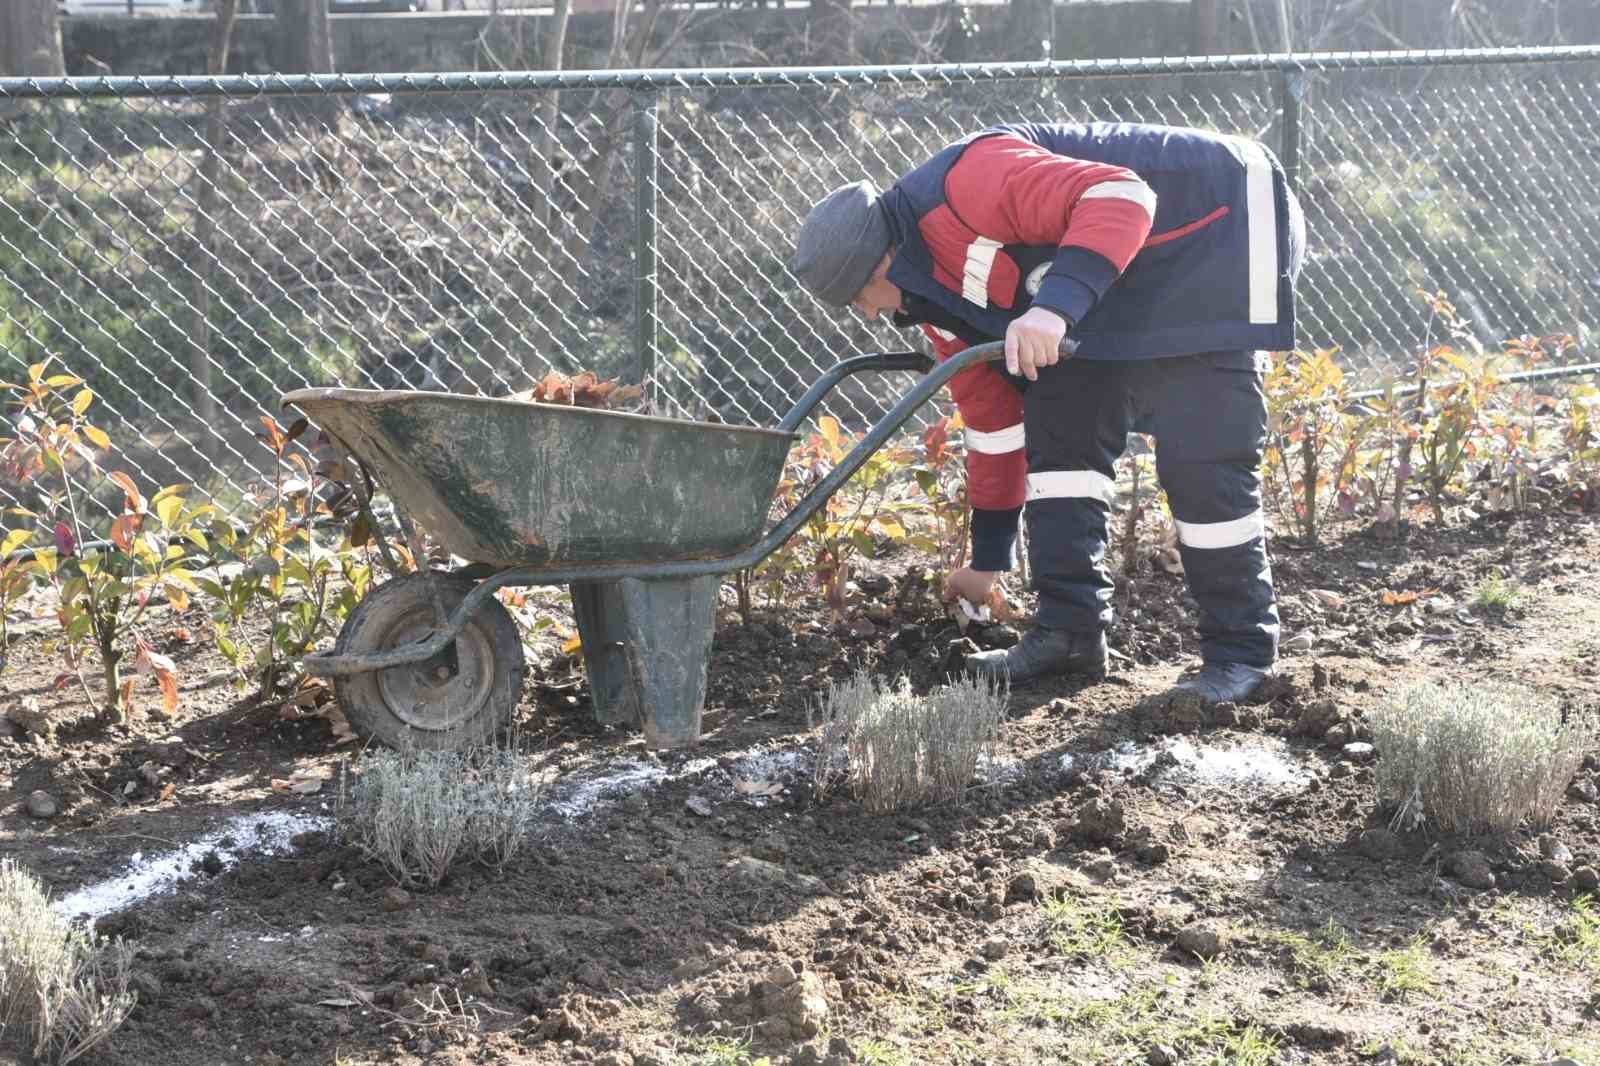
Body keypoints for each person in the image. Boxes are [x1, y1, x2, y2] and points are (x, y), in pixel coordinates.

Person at [789, 120, 1306, 705]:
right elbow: (994, 427)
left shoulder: (968, 181)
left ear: (877, 268)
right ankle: (1070, 631)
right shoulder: (931, 297)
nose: (869, 316)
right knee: (1061, 419)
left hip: (1220, 216)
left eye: (859, 299)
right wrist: (986, 564)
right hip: (1116, 267)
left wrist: (1053, 311)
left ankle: (1241, 656)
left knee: (1203, 447)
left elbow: (1122, 196)